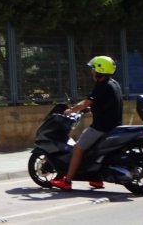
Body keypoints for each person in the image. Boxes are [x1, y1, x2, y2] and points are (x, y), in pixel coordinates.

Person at [50, 56, 123, 191]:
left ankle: (67, 180)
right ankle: (96, 178)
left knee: (78, 148)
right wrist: (89, 110)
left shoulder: (101, 86)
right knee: (92, 151)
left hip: (101, 127)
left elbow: (86, 102)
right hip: (114, 125)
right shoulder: (113, 84)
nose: (92, 72)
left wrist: (70, 110)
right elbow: (104, 104)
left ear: (100, 70)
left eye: (93, 69)